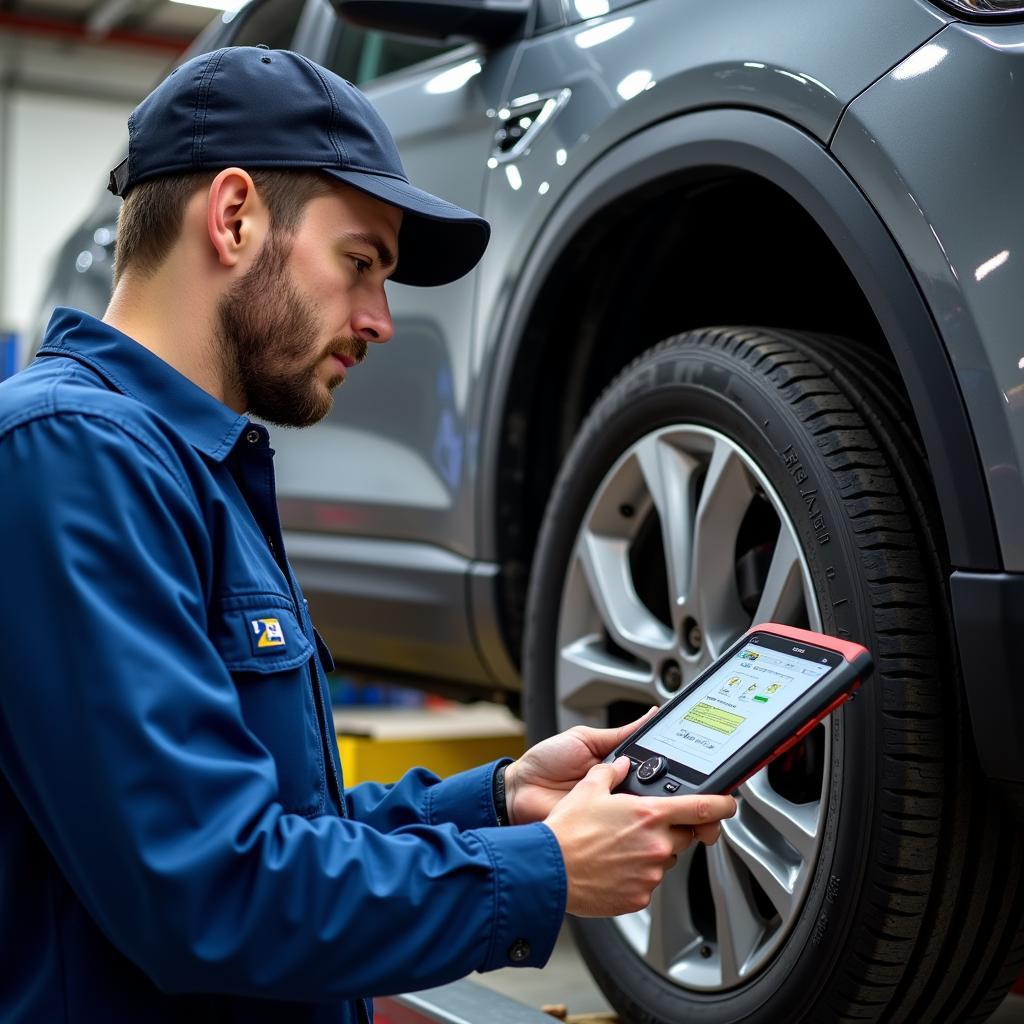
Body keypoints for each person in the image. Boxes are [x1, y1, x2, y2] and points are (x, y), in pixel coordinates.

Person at [0, 47, 736, 1023]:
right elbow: (208, 891)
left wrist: (500, 799)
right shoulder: (71, 457)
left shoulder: (187, 467)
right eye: (360, 263)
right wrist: (542, 873)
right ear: (232, 217)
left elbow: (274, 830)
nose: (381, 319)